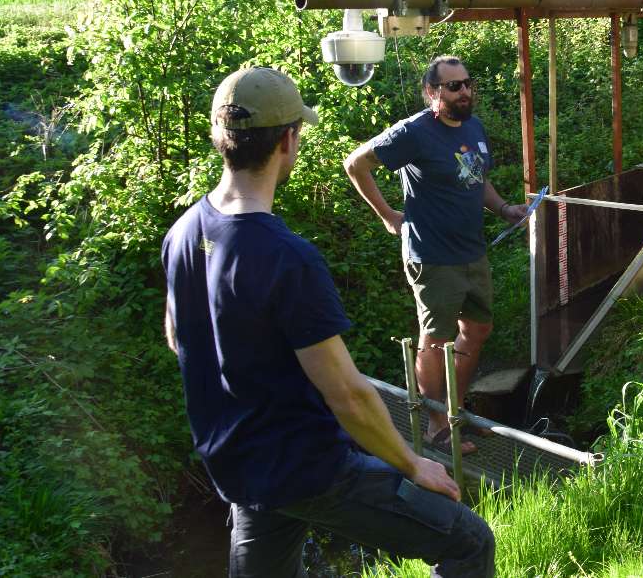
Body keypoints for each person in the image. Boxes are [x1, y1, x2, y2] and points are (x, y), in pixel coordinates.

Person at [162, 67, 494, 577]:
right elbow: (349, 394)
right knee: (469, 542)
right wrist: (413, 463)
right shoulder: (286, 257)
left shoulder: (184, 232)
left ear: (219, 137)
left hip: (240, 468)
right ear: (288, 140)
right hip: (308, 469)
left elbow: (177, 338)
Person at [345, 56, 527, 455]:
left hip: (472, 251)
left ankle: (456, 411)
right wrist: (389, 216)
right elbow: (356, 164)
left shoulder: (474, 127)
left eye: (467, 84)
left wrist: (505, 209)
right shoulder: (413, 133)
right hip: (432, 254)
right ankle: (436, 426)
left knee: (477, 331)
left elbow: (477, 178)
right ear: (432, 92)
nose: (464, 92)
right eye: (453, 86)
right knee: (435, 339)